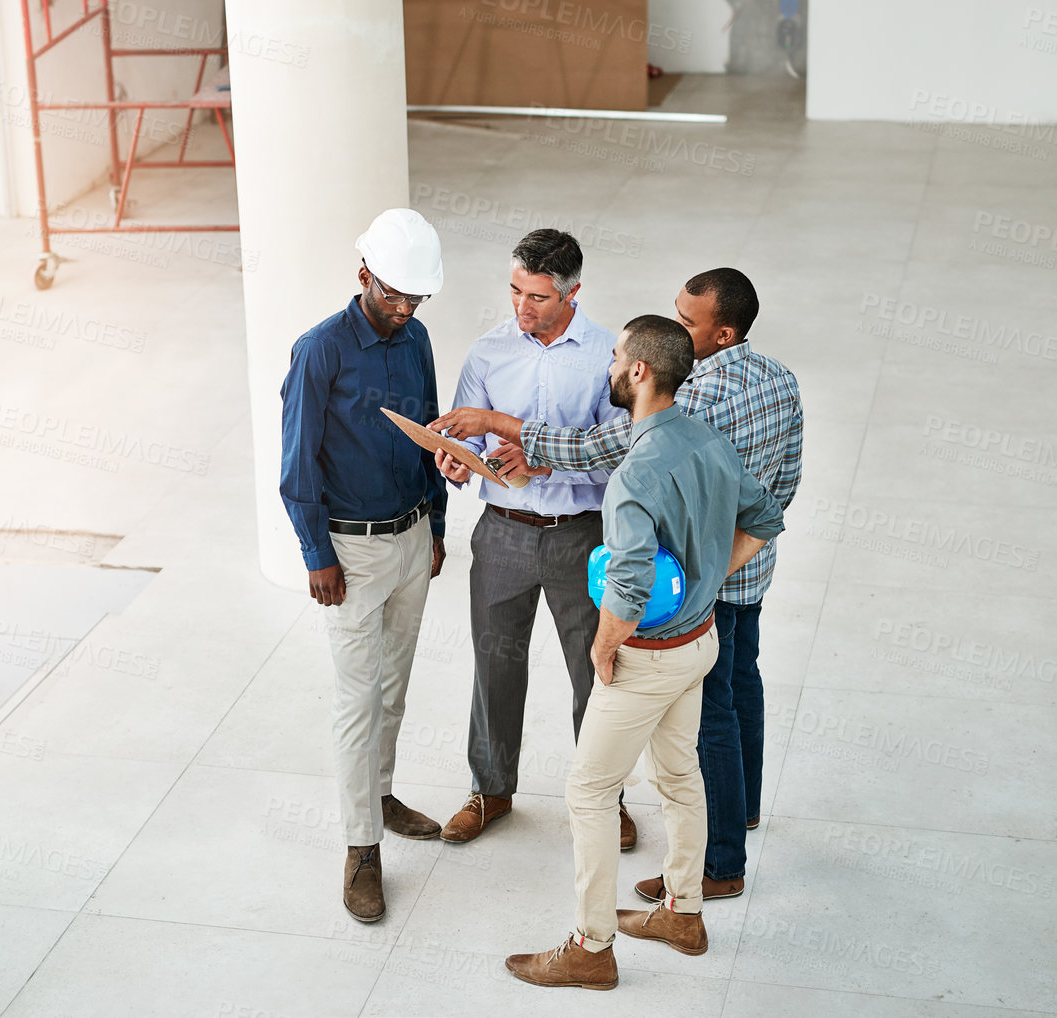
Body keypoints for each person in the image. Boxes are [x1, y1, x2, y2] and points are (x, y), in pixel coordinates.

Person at [430, 268, 802, 905]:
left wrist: (612, 640)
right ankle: (739, 813)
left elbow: (608, 458)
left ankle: (715, 869)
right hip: (737, 581)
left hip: (685, 599)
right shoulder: (778, 379)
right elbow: (780, 491)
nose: (678, 335)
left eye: (688, 324)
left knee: (692, 734)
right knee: (739, 691)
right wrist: (726, 562)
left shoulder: (684, 415)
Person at [503, 315, 785, 989]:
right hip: (701, 642)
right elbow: (765, 518)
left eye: (615, 359)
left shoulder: (636, 473)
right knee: (681, 775)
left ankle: (591, 947)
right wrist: (709, 581)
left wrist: (604, 648)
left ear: (639, 372)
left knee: (591, 789)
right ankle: (684, 914)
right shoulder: (708, 441)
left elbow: (628, 583)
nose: (607, 368)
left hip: (651, 655)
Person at [431, 230, 635, 850]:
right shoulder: (489, 352)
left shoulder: (609, 355)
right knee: (495, 664)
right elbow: (466, 432)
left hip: (582, 537)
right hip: (503, 536)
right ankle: (489, 789)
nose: (523, 307)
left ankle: (606, 799)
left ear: (573, 292)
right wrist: (458, 460)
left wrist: (551, 462)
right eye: (516, 291)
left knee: (595, 671)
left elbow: (625, 452)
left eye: (540, 297)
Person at [279, 208, 450, 924]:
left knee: (395, 687)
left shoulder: (417, 341)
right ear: (363, 277)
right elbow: (296, 460)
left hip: (412, 538)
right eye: (392, 296)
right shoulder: (320, 351)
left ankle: (380, 794)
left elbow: (431, 430)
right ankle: (361, 848)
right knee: (357, 703)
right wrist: (317, 554)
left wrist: (436, 520)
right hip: (349, 551)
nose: (403, 310)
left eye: (415, 299)